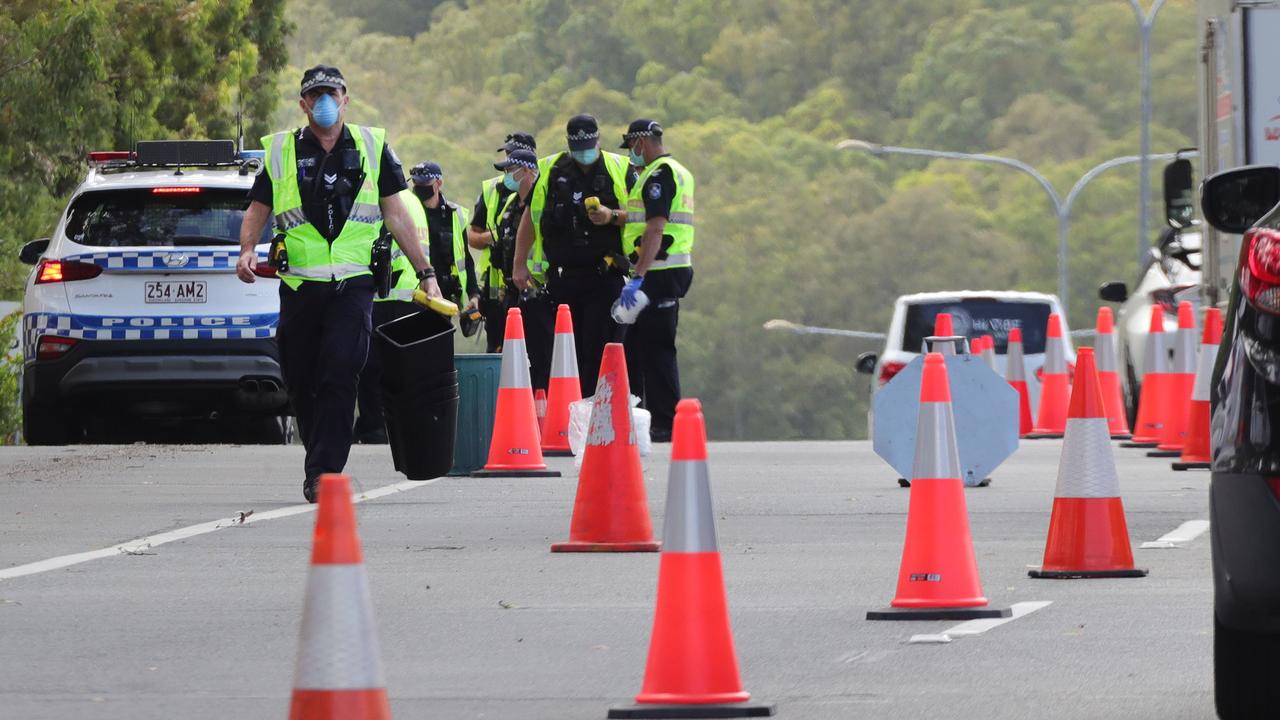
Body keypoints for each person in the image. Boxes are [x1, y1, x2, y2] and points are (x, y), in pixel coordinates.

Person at [237, 65, 442, 502]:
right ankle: (320, 455)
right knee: (302, 379)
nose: (324, 102)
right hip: (299, 287)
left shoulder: (372, 145)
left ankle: (324, 471)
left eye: (331, 93)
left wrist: (426, 273)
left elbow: (396, 213)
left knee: (340, 370)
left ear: (345, 98)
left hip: (353, 284)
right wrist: (246, 248)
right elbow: (259, 206)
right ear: (303, 104)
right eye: (315, 95)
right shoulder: (282, 150)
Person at [514, 114, 633, 395]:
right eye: (577, 147)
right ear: (568, 143)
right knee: (567, 352)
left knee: (600, 347)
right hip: (562, 278)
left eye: (589, 146)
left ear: (599, 140)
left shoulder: (620, 168)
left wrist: (612, 215)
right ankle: (570, 415)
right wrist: (519, 264)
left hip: (606, 275)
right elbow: (531, 218)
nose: (584, 153)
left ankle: (598, 410)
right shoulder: (551, 169)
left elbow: (644, 216)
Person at [617, 119, 695, 442]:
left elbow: (655, 228)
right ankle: (647, 419)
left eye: (632, 147)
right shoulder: (677, 170)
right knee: (639, 347)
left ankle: (665, 422)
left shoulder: (659, 175)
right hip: (663, 271)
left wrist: (637, 277)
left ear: (642, 142)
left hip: (658, 272)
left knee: (658, 349)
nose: (632, 155)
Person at [490, 148, 555, 390]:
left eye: (510, 170)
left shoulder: (542, 200)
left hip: (538, 289)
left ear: (527, 170)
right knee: (517, 360)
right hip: (513, 292)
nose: (507, 176)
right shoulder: (509, 204)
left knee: (542, 358)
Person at [467, 132, 536, 352]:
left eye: (513, 156)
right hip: (497, 288)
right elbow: (473, 237)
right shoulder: (492, 191)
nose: (508, 159)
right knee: (498, 349)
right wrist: (496, 238)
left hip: (533, 284)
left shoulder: (543, 189)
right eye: (507, 154)